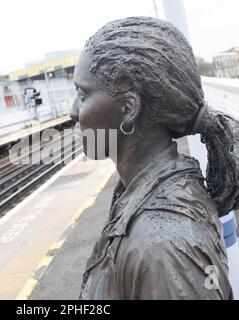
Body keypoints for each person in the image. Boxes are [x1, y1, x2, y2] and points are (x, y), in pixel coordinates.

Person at [70, 16, 239, 300]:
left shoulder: (165, 248)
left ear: (128, 108)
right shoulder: (135, 192)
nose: (73, 111)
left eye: (83, 94)